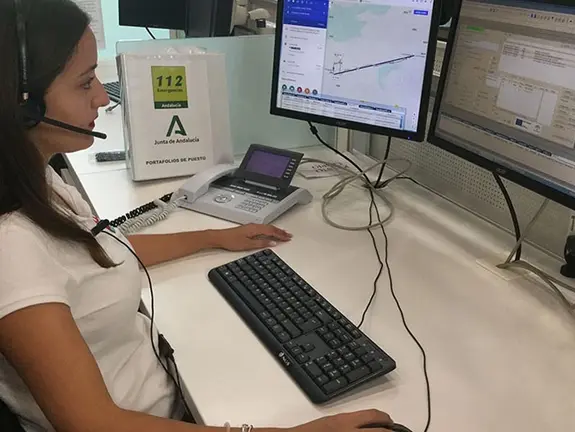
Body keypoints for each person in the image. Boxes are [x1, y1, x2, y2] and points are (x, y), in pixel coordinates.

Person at [0, 0, 395, 431]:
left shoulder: (36, 179)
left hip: (156, 382)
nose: (101, 96)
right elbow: (94, 424)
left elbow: (94, 253)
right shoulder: (12, 246)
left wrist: (211, 237)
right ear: (23, 107)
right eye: (84, 82)